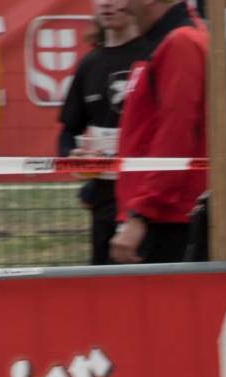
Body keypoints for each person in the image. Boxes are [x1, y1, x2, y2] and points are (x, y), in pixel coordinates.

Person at [109, 0, 208, 265]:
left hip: (166, 219)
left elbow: (176, 136)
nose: (123, 7)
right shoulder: (171, 40)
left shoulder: (180, 42)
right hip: (160, 213)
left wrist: (141, 213)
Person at [58, 0, 149, 265]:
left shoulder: (154, 53)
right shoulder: (89, 63)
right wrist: (73, 156)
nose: (106, 4)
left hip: (145, 199)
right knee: (104, 281)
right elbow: (68, 132)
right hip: (104, 200)